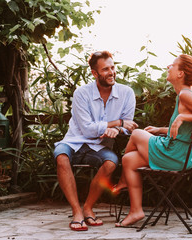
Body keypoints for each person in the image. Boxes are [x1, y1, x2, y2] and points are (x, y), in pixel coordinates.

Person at [113, 54, 192, 227]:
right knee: (128, 160)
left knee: (137, 134)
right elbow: (182, 131)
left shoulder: (185, 95)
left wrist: (181, 117)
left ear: (180, 73)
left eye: (173, 65)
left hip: (175, 155)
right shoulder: (183, 95)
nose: (169, 66)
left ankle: (123, 180)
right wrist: (159, 130)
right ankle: (136, 211)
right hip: (179, 156)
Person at [53, 51, 138, 231]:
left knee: (111, 163)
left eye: (112, 67)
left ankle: (88, 207)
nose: (111, 72)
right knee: (61, 157)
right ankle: (77, 212)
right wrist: (117, 122)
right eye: (105, 69)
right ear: (95, 73)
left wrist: (116, 129)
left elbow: (127, 126)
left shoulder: (126, 93)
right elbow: (87, 129)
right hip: (74, 140)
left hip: (99, 145)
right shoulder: (81, 93)